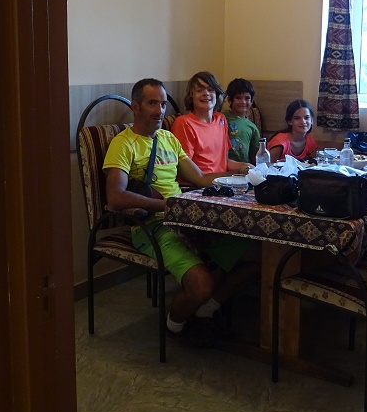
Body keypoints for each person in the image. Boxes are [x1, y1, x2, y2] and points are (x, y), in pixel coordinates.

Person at [103, 78, 257, 347]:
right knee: (201, 284)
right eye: (152, 103)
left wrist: (244, 175)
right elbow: (115, 197)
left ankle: (206, 308)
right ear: (135, 106)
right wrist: (168, 205)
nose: (159, 110)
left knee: (260, 254)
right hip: (153, 226)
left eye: (163, 104)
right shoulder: (124, 143)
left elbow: (201, 179)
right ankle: (175, 325)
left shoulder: (168, 138)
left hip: (185, 219)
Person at [171, 71, 253, 175]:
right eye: (199, 90)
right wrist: (228, 176)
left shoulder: (221, 119)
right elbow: (185, 170)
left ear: (216, 94)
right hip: (198, 183)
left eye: (210, 90)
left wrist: (247, 167)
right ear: (192, 95)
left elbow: (224, 162)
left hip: (221, 181)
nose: (206, 93)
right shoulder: (184, 123)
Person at [223, 77, 260, 165]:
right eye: (238, 98)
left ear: (251, 101)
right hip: (223, 166)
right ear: (230, 100)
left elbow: (255, 155)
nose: (243, 102)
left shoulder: (252, 127)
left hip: (243, 168)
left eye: (247, 98)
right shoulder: (221, 118)